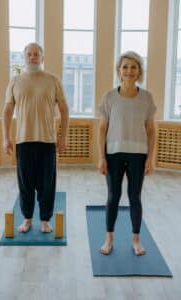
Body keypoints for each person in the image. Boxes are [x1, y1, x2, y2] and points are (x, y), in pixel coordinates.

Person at [2, 42, 69, 233]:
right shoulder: (15, 81)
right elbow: (7, 111)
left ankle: (46, 219)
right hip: (23, 140)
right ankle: (28, 218)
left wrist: (63, 136)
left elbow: (64, 109)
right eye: (29, 54)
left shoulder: (53, 80)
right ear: (24, 58)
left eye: (36, 54)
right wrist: (6, 137)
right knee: (25, 183)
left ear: (42, 57)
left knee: (47, 183)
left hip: (47, 140)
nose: (33, 57)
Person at [98, 51, 156, 255]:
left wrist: (150, 159)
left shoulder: (146, 98)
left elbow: (150, 129)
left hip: (138, 155)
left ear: (139, 71)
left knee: (135, 197)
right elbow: (102, 129)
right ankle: (109, 238)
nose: (129, 71)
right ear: (119, 71)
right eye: (125, 67)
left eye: (134, 67)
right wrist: (101, 157)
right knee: (113, 196)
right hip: (113, 153)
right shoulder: (109, 97)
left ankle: (136, 240)